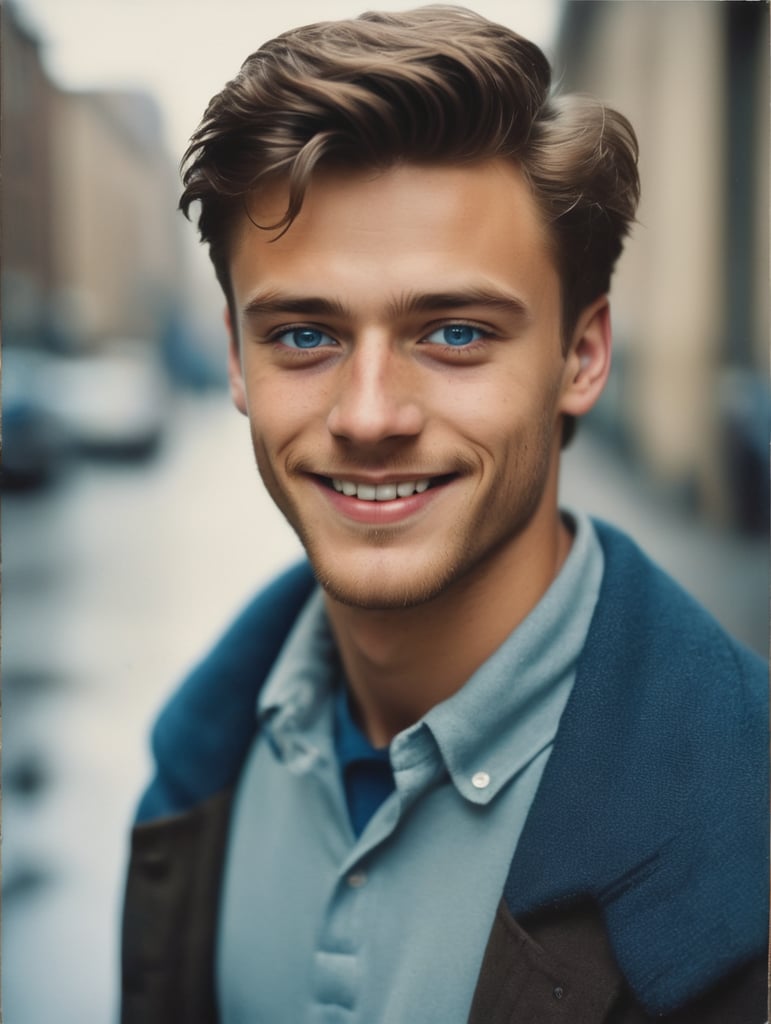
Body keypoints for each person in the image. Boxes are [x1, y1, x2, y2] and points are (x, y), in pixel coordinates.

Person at [120, 7, 768, 1023]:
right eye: (304, 334)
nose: (370, 415)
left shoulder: (750, 829)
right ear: (238, 360)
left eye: (455, 331)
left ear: (582, 355)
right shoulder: (200, 766)